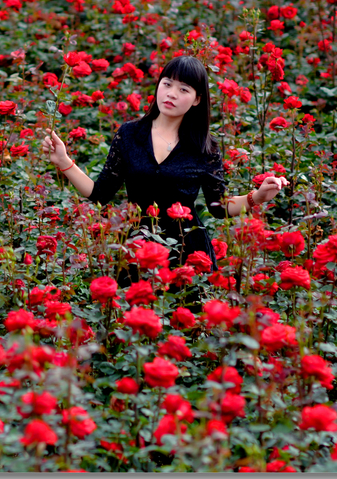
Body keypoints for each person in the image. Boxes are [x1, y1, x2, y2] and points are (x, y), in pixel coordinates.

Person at [41, 55, 288, 304]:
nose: (171, 93)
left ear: (197, 100)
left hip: (187, 251)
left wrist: (257, 197)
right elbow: (100, 193)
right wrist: (64, 162)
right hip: (137, 248)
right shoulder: (130, 135)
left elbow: (218, 206)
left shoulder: (204, 147)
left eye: (183, 89)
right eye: (167, 83)